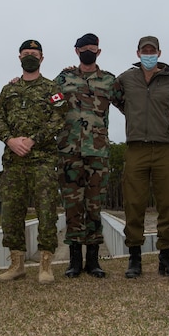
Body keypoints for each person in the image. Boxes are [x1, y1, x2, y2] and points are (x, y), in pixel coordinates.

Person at [116, 36, 169, 278]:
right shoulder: (126, 78)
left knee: (167, 203)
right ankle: (134, 259)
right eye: (144, 50)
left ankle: (166, 258)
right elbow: (112, 96)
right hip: (136, 148)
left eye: (152, 50)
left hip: (165, 149)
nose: (148, 54)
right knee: (133, 204)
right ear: (138, 53)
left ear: (159, 52)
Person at [0, 39, 67, 284]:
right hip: (13, 161)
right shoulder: (8, 89)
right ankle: (17, 265)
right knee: (11, 214)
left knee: (47, 213)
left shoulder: (52, 88)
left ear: (42, 58)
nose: (30, 57)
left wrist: (34, 140)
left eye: (34, 53)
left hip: (42, 160)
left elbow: (59, 118)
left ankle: (45, 266)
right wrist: (10, 139)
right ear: (19, 57)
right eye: (26, 53)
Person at [54, 33, 124, 279]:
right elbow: (47, 102)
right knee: (72, 207)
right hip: (69, 153)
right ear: (76, 51)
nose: (88, 52)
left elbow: (130, 105)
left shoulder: (109, 81)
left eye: (92, 48)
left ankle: (93, 261)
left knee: (94, 207)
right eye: (84, 48)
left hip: (97, 153)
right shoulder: (63, 79)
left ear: (99, 51)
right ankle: (74, 261)